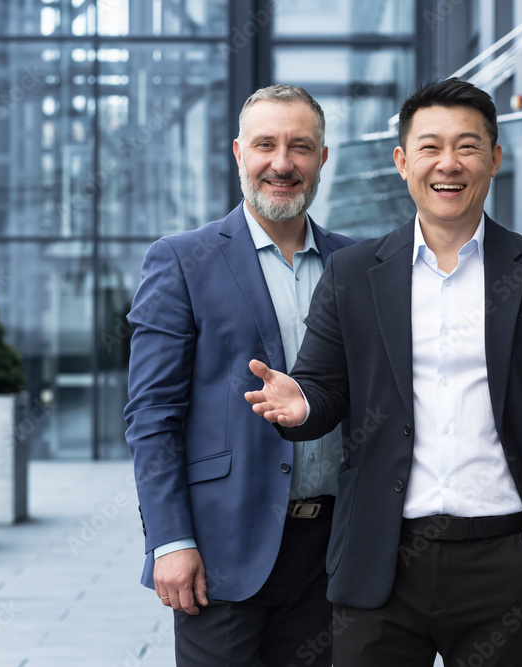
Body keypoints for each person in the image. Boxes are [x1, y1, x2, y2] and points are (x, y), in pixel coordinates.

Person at [244, 78, 522, 666]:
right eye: (430, 146)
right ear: (402, 161)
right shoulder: (354, 272)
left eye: (467, 146)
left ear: (494, 157)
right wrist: (303, 405)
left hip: (506, 557)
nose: (449, 164)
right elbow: (325, 387)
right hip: (379, 559)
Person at [123, 84, 355, 667]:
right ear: (238, 153)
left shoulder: (357, 265)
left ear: (322, 158)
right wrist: (170, 541)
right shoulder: (181, 260)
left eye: (301, 147)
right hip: (222, 550)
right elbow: (152, 417)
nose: (283, 163)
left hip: (334, 551)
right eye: (266, 145)